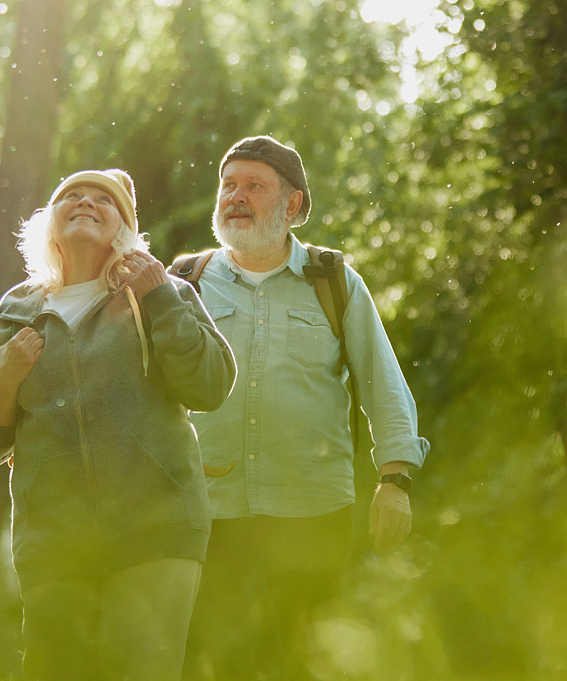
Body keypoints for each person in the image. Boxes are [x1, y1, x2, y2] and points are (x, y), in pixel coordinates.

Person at [0, 169, 236, 681]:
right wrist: (7, 377)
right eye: (71, 196)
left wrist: (159, 298)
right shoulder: (16, 314)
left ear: (124, 228)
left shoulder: (159, 291)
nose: (85, 202)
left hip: (158, 526)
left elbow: (211, 384)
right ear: (49, 223)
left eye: (103, 200)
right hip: (54, 539)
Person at [179, 136, 431, 681]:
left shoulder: (335, 282)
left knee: (303, 660)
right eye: (228, 185)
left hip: (312, 510)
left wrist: (396, 481)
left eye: (254, 186)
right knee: (210, 661)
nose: (235, 197)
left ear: (291, 205)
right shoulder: (185, 283)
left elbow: (383, 384)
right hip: (205, 511)